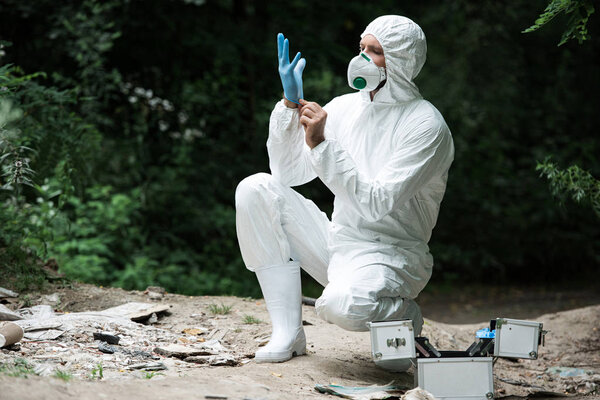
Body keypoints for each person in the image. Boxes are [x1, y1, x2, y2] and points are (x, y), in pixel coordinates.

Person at [235, 15, 454, 366]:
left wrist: (323, 145)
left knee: (344, 306)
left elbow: (376, 202)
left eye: (376, 52)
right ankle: (288, 332)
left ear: (401, 60)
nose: (362, 58)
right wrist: (291, 106)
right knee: (256, 188)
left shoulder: (426, 125)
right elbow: (287, 173)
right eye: (361, 48)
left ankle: (403, 315)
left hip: (391, 256)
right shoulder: (345, 108)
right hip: (339, 244)